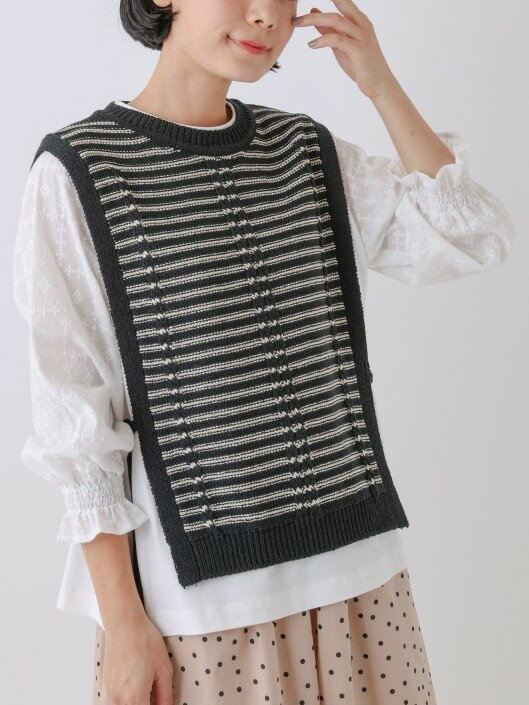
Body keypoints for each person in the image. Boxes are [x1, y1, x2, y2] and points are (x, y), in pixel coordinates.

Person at [13, 1, 516, 704]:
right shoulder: (81, 170)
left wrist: (379, 85)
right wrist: (123, 620)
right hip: (206, 602)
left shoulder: (303, 150)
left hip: (359, 569)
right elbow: (76, 421)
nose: (265, 14)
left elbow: (469, 236)